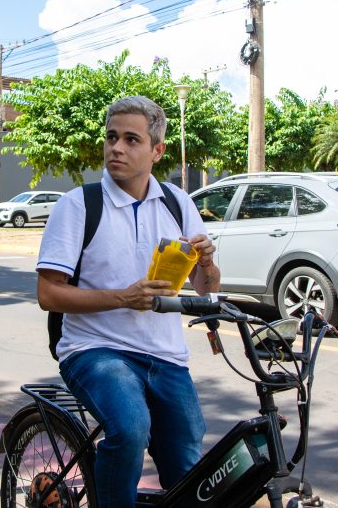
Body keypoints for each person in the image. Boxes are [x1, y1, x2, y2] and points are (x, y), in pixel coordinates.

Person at [36, 95, 221, 507]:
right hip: (95, 350)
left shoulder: (178, 203)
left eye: (131, 140)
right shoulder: (78, 205)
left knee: (188, 464)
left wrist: (206, 261)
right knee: (130, 427)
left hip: (166, 355)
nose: (116, 148)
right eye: (111, 137)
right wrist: (124, 297)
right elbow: (48, 294)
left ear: (157, 151)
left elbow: (206, 286)